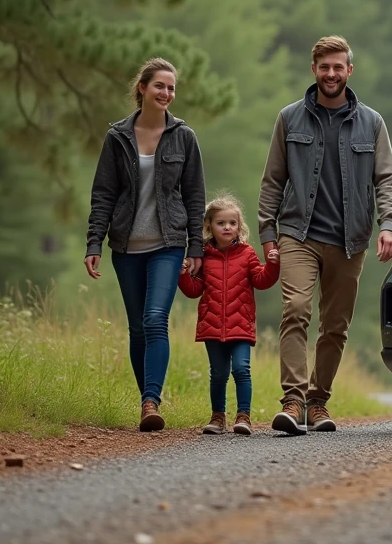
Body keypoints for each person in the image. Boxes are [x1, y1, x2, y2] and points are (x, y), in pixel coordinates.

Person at [258, 35, 392, 435]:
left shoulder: (372, 123)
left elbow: (387, 180)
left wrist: (389, 224)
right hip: (297, 233)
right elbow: (273, 180)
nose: (331, 74)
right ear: (314, 70)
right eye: (324, 67)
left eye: (338, 67)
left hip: (349, 239)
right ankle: (293, 399)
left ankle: (318, 402)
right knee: (297, 309)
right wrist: (267, 232)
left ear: (349, 71)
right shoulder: (289, 118)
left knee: (335, 325)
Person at [84, 58, 206, 432]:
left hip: (168, 243)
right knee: (137, 328)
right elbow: (103, 193)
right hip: (126, 245)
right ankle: (146, 402)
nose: (166, 93)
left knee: (156, 319)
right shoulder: (117, 137)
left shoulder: (184, 136)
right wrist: (94, 242)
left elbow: (195, 195)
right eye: (159, 86)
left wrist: (195, 247)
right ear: (142, 88)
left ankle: (151, 401)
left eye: (171, 88)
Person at [178, 194, 281, 435]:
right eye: (221, 223)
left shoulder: (247, 254)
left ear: (239, 227)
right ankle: (217, 417)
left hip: (241, 324)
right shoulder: (203, 256)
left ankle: (243, 416)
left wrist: (273, 265)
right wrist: (183, 275)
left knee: (242, 369)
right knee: (219, 373)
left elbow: (262, 280)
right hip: (212, 325)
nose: (227, 227)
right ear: (209, 226)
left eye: (232, 223)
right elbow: (194, 291)